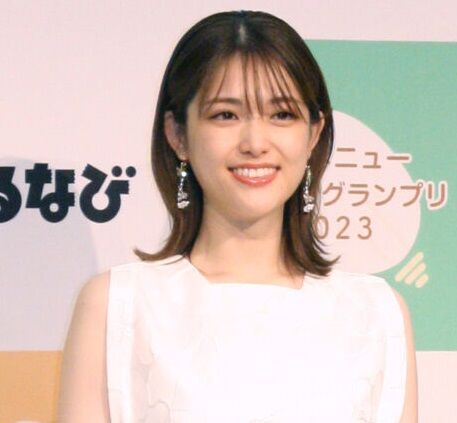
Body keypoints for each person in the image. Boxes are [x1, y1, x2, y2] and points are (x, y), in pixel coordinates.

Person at [58, 10, 418, 422]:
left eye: (282, 114)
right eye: (225, 115)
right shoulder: (118, 305)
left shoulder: (376, 313)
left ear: (314, 134)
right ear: (177, 134)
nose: (255, 142)